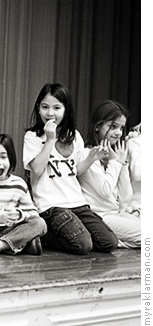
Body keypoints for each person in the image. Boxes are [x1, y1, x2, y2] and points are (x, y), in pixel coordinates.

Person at [23, 83, 118, 255]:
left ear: (65, 110)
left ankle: (64, 232)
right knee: (83, 245)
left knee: (109, 242)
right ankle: (41, 235)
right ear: (38, 109)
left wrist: (92, 157)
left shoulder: (74, 136)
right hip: (50, 207)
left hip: (77, 203)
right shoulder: (32, 137)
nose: (50, 113)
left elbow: (77, 170)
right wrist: (50, 140)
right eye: (45, 107)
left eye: (56, 108)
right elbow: (36, 170)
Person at [78, 100, 140, 248]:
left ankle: (113, 242)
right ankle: (105, 240)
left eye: (121, 128)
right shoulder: (88, 154)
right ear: (98, 126)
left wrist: (123, 164)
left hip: (115, 214)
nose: (118, 133)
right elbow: (105, 191)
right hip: (99, 217)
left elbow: (125, 197)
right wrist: (116, 163)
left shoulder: (114, 157)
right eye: (113, 126)